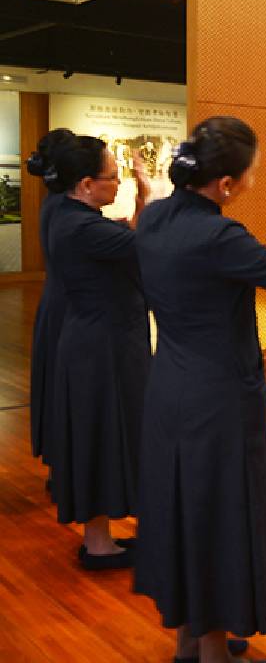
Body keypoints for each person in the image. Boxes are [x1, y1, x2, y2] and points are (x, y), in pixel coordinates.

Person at [134, 117, 266, 663]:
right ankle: (213, 648)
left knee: (181, 507)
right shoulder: (219, 236)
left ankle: (188, 638)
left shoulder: (154, 220)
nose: (251, 183)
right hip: (219, 397)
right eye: (250, 175)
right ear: (224, 185)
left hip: (168, 384)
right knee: (218, 513)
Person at [41, 131, 150, 570]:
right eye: (112, 177)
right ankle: (99, 545)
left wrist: (143, 198)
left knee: (101, 436)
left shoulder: (68, 216)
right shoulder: (83, 228)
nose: (118, 183)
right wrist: (156, 199)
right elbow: (148, 247)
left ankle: (101, 538)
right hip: (101, 347)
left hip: (98, 341)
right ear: (85, 184)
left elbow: (132, 239)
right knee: (100, 437)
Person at [24, 130, 73, 477]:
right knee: (66, 389)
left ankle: (63, 468)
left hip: (58, 302)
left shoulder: (53, 202)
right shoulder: (65, 209)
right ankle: (68, 470)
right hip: (69, 308)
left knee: (59, 387)